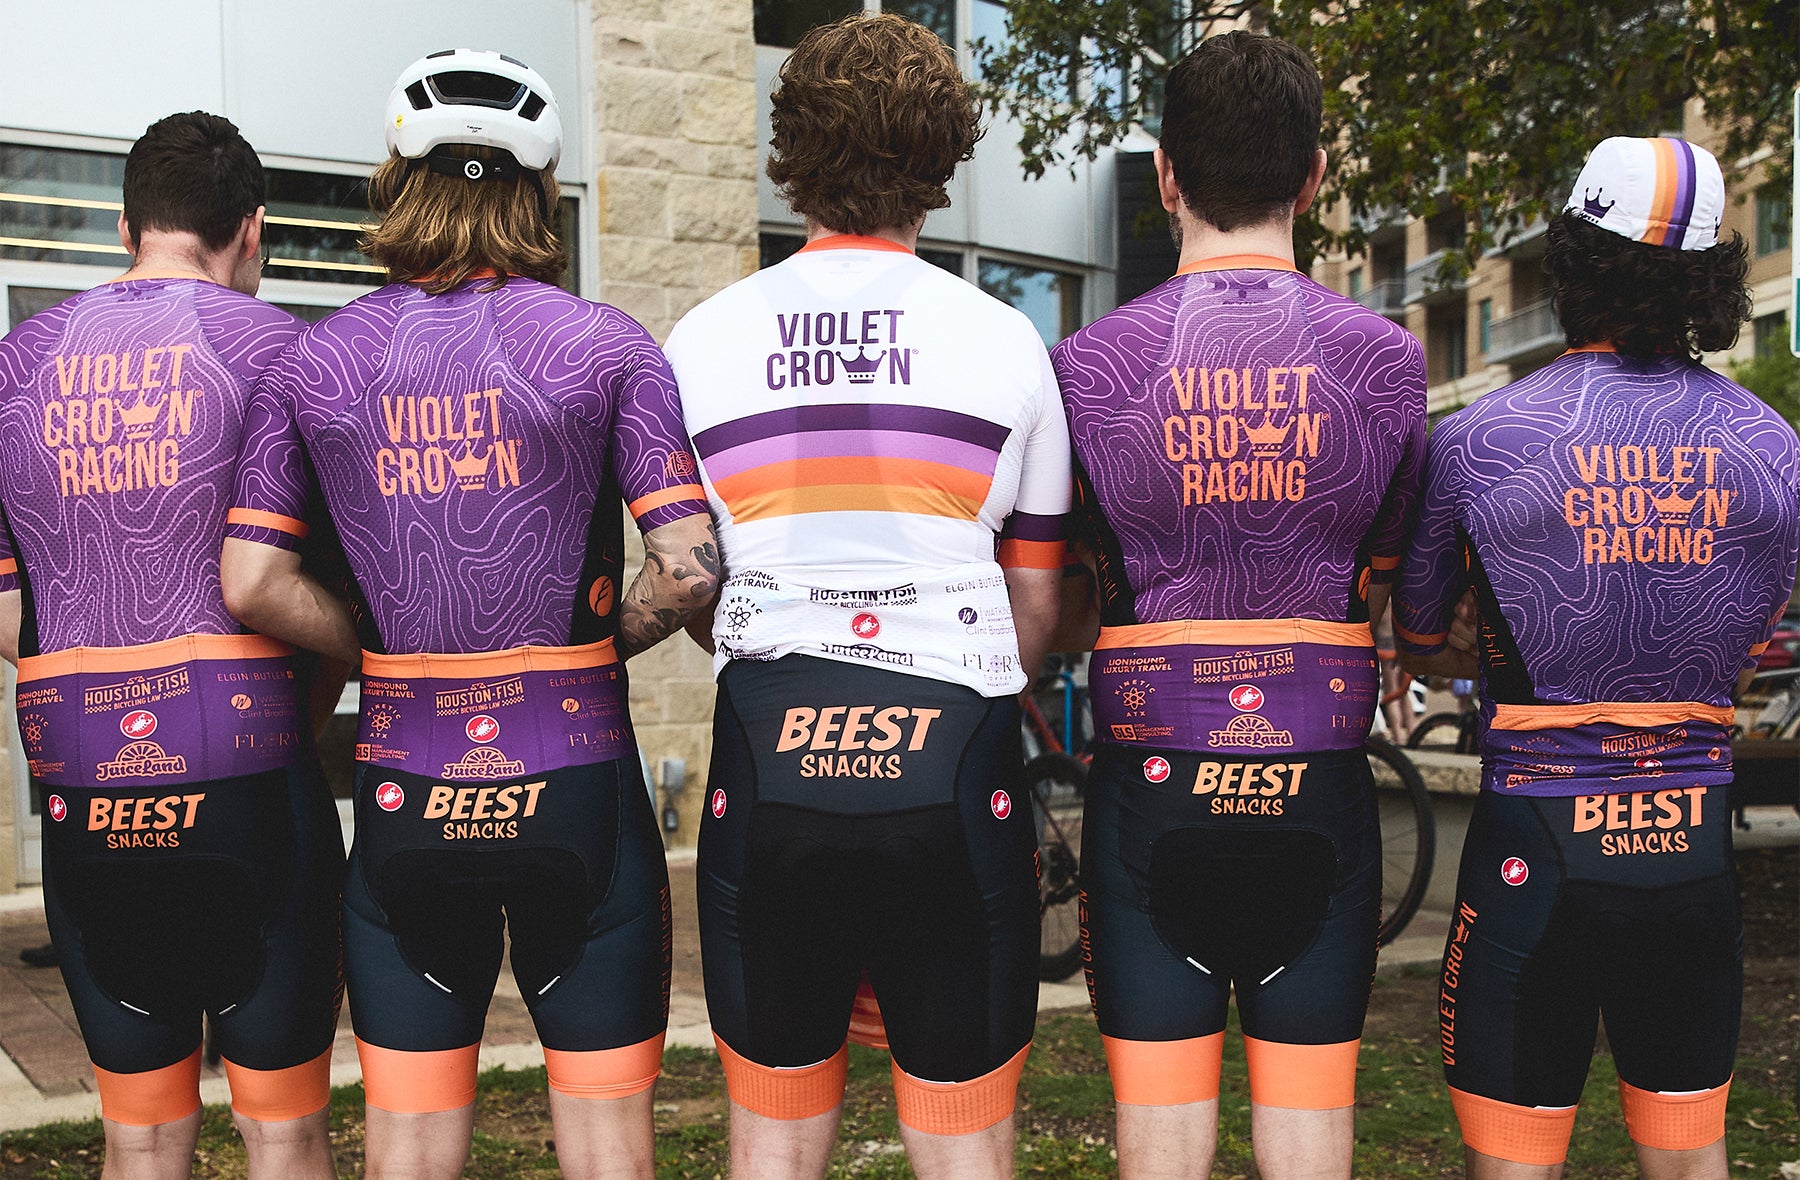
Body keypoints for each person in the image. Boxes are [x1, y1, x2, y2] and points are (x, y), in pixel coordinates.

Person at [219, 50, 718, 1180]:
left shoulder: (316, 363)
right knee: (607, 1146)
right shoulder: (605, 342)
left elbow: (250, 582)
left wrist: (385, 656)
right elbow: (689, 570)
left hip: (409, 786)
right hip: (580, 776)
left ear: (396, 178)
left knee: (409, 1144)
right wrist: (593, 645)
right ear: (537, 193)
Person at [662, 14, 1070, 1178]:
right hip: (953, 757)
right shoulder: (1007, 340)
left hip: (768, 750)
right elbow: (1030, 616)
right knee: (961, 1140)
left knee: (774, 1143)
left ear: (789, 148)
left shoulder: (702, 339)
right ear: (942, 162)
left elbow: (692, 580)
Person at [1050, 31, 1428, 1179]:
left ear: (1166, 175)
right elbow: (1389, 581)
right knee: (1310, 1136)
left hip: (1148, 798)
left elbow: (1066, 605)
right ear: (1314, 176)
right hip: (1320, 788)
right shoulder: (1389, 363)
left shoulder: (1085, 364)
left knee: (1156, 1148)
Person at [1397, 136, 1797, 1179]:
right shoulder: (1775, 448)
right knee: (1689, 1157)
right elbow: (1754, 648)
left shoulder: (1479, 439)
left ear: (1570, 257)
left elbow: (1421, 635)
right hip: (1692, 854)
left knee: (1515, 1163)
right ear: (1715, 279)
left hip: (1535, 848)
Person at [0, 112, 342, 1179]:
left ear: (125, 227)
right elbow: (325, 590)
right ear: (252, 229)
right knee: (282, 1128)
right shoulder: (284, 349)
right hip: (254, 774)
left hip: (87, 781)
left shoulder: (18, 361)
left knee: (141, 1134)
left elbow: (11, 616)